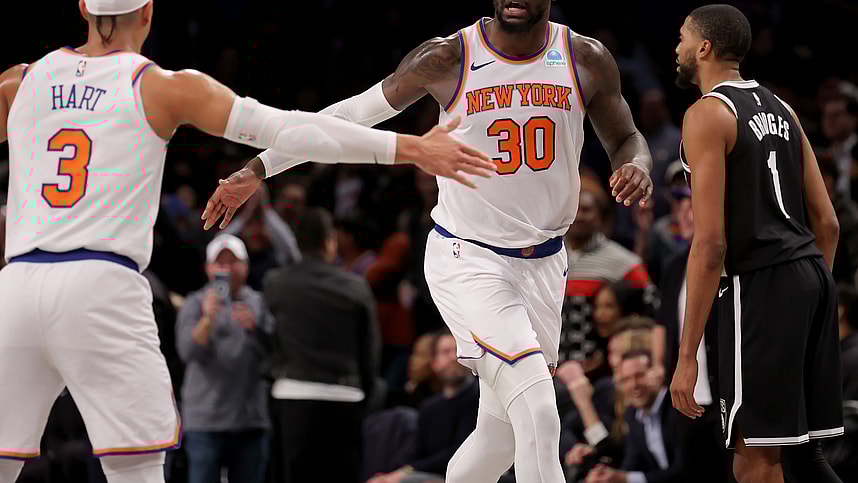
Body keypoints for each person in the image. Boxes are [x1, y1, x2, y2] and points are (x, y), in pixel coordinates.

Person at [0, 1, 493, 482]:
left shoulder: (20, 82)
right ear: (148, 13)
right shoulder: (161, 86)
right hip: (99, 285)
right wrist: (413, 148)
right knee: (136, 469)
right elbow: (291, 127)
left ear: (83, 9)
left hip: (16, 286)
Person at [205, 1, 655, 481]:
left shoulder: (584, 57)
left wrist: (638, 165)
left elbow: (627, 137)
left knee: (500, 435)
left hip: (545, 263)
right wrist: (259, 167)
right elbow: (349, 116)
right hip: (471, 258)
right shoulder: (449, 58)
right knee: (541, 411)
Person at [671, 5, 843, 483]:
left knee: (754, 454)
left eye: (683, 37)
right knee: (800, 452)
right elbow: (826, 221)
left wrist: (688, 360)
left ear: (704, 48)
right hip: (810, 275)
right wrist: (807, 295)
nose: (678, 47)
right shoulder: (782, 107)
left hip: (761, 286)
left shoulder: (707, 114)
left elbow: (710, 245)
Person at [263, 208, 381, 483]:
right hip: (345, 397)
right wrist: (367, 391)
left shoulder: (276, 284)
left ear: (296, 241)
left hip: (293, 395)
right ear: (331, 240)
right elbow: (370, 350)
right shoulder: (355, 287)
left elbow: (268, 337)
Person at [175, 234, 273, 483]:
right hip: (205, 420)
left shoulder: (260, 304)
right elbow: (187, 352)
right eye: (220, 263)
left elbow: (275, 356)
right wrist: (207, 319)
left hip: (250, 420)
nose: (227, 269)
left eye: (233, 262)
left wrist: (255, 328)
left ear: (246, 266)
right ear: (208, 268)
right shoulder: (195, 303)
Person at [369, 330, 479, 483]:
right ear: (434, 362)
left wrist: (408, 471)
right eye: (446, 352)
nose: (454, 357)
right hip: (430, 473)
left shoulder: (479, 398)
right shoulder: (430, 406)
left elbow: (463, 452)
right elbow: (417, 452)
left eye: (457, 350)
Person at [585, 350, 683, 483]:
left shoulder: (678, 408)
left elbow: (683, 470)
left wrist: (625, 478)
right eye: (626, 379)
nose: (634, 385)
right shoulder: (632, 414)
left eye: (640, 375)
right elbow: (631, 464)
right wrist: (607, 476)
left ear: (656, 373)